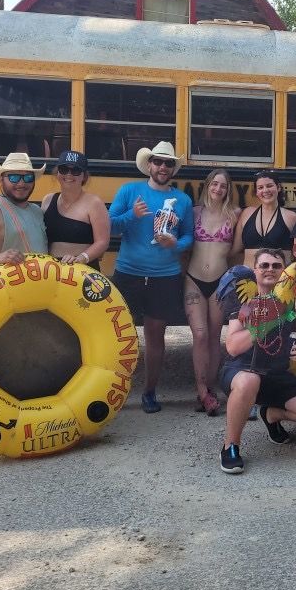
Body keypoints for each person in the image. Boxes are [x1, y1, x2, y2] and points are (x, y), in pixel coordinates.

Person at [109, 141, 193, 414]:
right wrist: (132, 215)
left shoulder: (182, 200)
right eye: (158, 161)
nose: (163, 167)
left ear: (173, 169)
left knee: (156, 337)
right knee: (118, 336)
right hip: (129, 272)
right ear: (149, 164)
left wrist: (176, 245)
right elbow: (109, 225)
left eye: (169, 163)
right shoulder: (130, 191)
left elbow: (190, 236)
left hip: (165, 276)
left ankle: (149, 391)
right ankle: (113, 389)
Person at [219, 248, 296, 474]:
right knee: (249, 381)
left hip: (276, 375)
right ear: (255, 270)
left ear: (284, 271)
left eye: (276, 266)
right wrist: (266, 324)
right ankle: (230, 447)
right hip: (241, 369)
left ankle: (270, 414)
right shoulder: (244, 302)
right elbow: (233, 346)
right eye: (264, 265)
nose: (270, 270)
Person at [185, 169, 241, 417]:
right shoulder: (195, 213)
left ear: (228, 190)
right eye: (215, 184)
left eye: (224, 186)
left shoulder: (235, 215)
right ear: (207, 186)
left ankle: (210, 388)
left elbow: (237, 247)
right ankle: (202, 391)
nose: (218, 189)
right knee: (199, 334)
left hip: (220, 282)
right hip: (193, 280)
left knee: (214, 335)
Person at [40, 150, 109, 268]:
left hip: (82, 269)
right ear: (57, 173)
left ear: (84, 176)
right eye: (64, 169)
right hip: (51, 270)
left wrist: (81, 258)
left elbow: (102, 242)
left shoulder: (94, 203)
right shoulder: (48, 200)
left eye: (75, 170)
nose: (69, 174)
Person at [233, 170, 296, 269]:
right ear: (256, 192)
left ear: (278, 187)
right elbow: (236, 249)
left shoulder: (291, 217)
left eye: (269, 186)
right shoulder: (246, 214)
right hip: (249, 280)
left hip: (280, 281)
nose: (265, 190)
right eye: (260, 188)